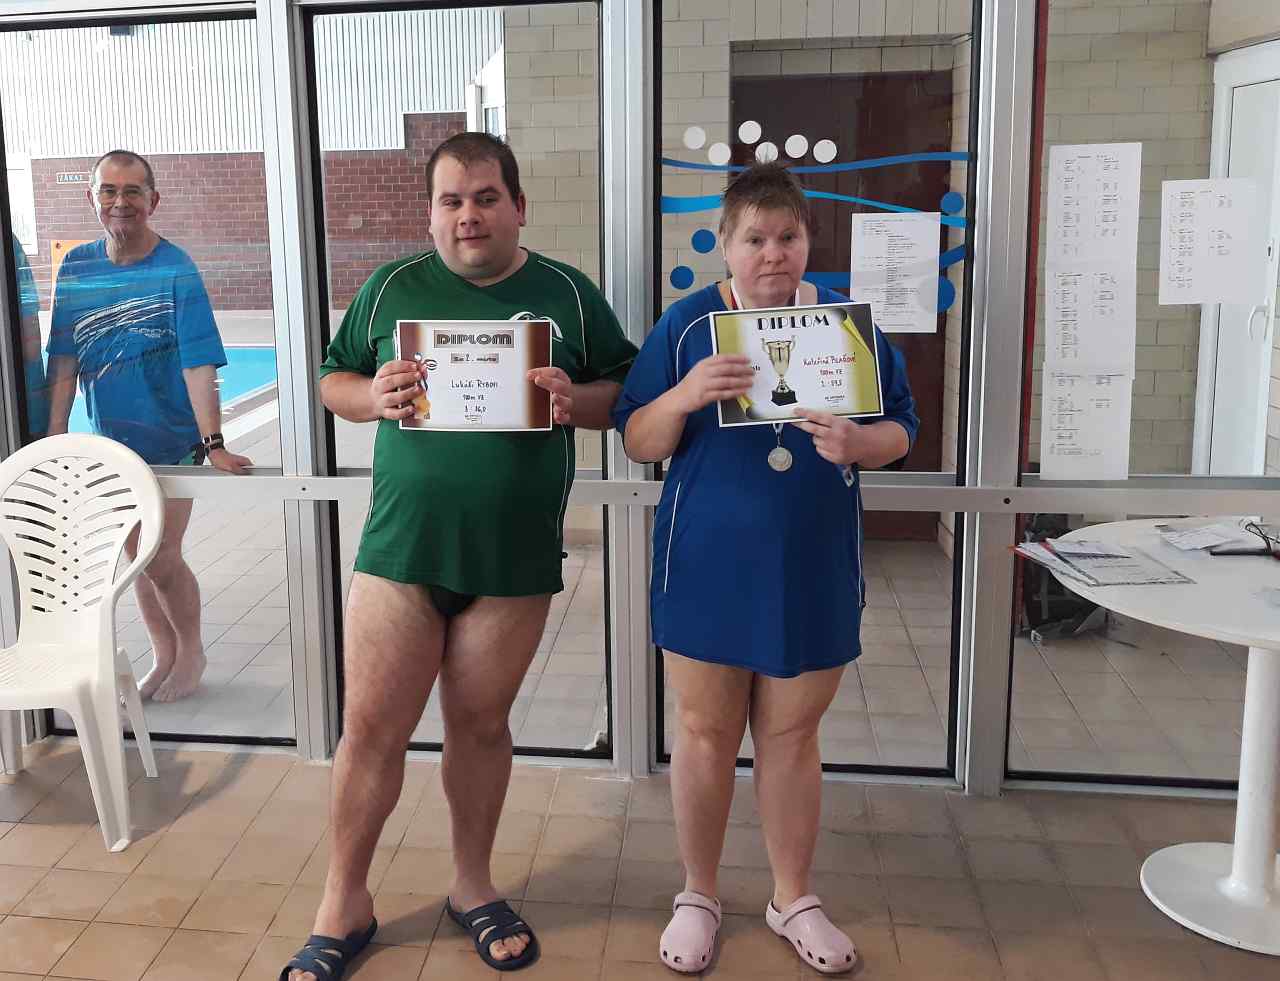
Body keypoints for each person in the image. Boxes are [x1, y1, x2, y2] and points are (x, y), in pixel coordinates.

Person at [282, 131, 637, 981]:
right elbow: (333, 378)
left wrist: (575, 399)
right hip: (401, 552)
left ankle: (472, 885)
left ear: (518, 206)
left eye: (485, 197)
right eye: (451, 200)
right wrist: (370, 394)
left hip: (512, 559)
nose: (468, 214)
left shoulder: (568, 294)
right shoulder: (391, 288)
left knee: (479, 727)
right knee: (371, 729)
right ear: (432, 214)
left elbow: (625, 391)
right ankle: (343, 901)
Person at [613, 163, 919, 975]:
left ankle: (793, 896)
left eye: (788, 236)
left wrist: (861, 443)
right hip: (705, 566)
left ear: (808, 241)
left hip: (811, 565)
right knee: (704, 733)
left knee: (791, 736)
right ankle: (699, 893)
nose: (773, 253)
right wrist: (683, 395)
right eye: (755, 238)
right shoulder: (689, 326)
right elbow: (638, 438)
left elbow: (903, 428)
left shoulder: (845, 328)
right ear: (726, 245)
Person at [45, 149, 252, 703]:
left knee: (160, 556)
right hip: (113, 446)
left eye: (133, 191)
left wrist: (213, 444)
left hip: (172, 440)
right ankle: (164, 655)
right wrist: (54, 436)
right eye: (109, 190)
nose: (121, 201)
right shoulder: (78, 267)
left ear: (153, 200)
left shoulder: (175, 267)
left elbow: (198, 361)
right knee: (135, 559)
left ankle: (192, 651)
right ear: (92, 198)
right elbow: (63, 357)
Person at [12, 234, 48, 440]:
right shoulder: (11, 245)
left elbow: (30, 344)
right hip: (27, 411)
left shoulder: (9, 246)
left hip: (23, 410)